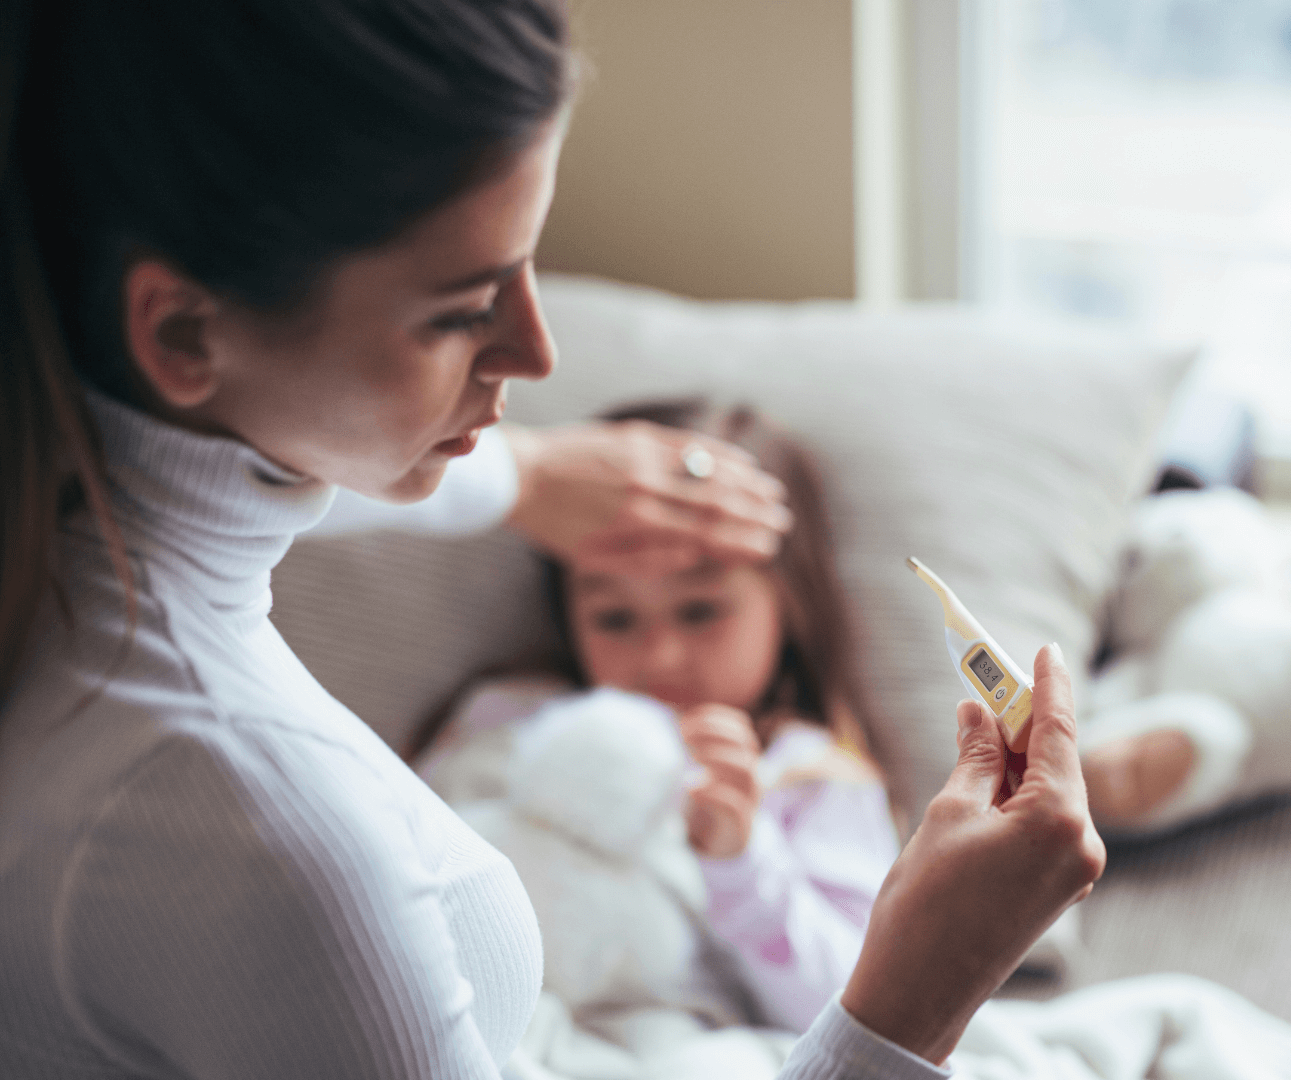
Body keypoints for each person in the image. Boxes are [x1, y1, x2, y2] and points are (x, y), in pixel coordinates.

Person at [0, 3, 1102, 1079]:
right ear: (186, 330)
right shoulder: (272, 842)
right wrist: (906, 1013)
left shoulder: (66, 547)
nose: (537, 352)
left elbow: (240, 469)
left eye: (534, 262)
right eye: (459, 309)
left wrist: (524, 475)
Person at [415, 400, 898, 1036]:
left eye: (701, 611)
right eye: (614, 618)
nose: (659, 658)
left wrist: (742, 861)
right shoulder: (509, 716)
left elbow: (861, 1010)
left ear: (790, 601)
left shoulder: (810, 776)